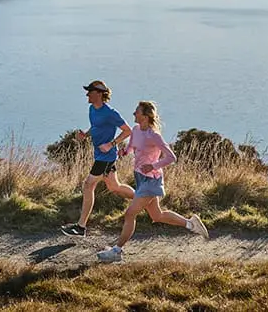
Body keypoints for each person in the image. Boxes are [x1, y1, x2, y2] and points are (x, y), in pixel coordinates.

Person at [96, 100, 209, 263]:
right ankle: (191, 224)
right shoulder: (135, 130)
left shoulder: (153, 135)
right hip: (140, 177)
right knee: (157, 215)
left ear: (145, 116)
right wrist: (124, 151)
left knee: (130, 214)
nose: (134, 113)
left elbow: (171, 157)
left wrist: (154, 165)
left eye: (137, 111)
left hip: (151, 180)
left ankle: (117, 250)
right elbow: (132, 147)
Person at [60, 80, 134, 238]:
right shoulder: (92, 109)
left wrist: (111, 143)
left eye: (90, 91)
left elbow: (128, 131)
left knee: (88, 185)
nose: (87, 94)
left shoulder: (110, 113)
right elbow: (95, 127)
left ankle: (81, 227)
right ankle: (143, 199)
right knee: (115, 187)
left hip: (107, 157)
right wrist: (85, 135)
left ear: (100, 94)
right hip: (100, 155)